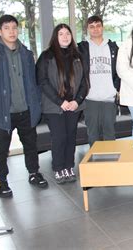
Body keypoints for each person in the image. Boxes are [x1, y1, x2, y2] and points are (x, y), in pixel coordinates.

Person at [0, 15, 48, 197]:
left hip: (26, 110)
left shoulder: (26, 53)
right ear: (0, 31)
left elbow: (34, 80)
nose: (11, 31)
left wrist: (36, 102)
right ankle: (1, 181)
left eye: (14, 28)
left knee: (31, 145)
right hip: (3, 113)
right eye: (7, 28)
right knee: (1, 149)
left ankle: (34, 173)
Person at [36, 23, 88, 184]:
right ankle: (58, 168)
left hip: (74, 105)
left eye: (68, 33)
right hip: (54, 106)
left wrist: (76, 101)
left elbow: (85, 82)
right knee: (59, 137)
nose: (65, 37)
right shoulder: (47, 56)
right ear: (55, 37)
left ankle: (68, 166)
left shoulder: (78, 56)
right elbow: (42, 82)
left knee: (71, 137)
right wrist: (61, 102)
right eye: (61, 34)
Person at [78, 15, 120, 147]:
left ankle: (111, 165)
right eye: (92, 27)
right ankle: (95, 165)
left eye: (98, 26)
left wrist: (117, 88)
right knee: (93, 135)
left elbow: (119, 69)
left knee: (110, 133)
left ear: (102, 27)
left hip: (109, 98)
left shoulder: (113, 47)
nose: (95, 29)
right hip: (90, 98)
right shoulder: (81, 48)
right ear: (87, 29)